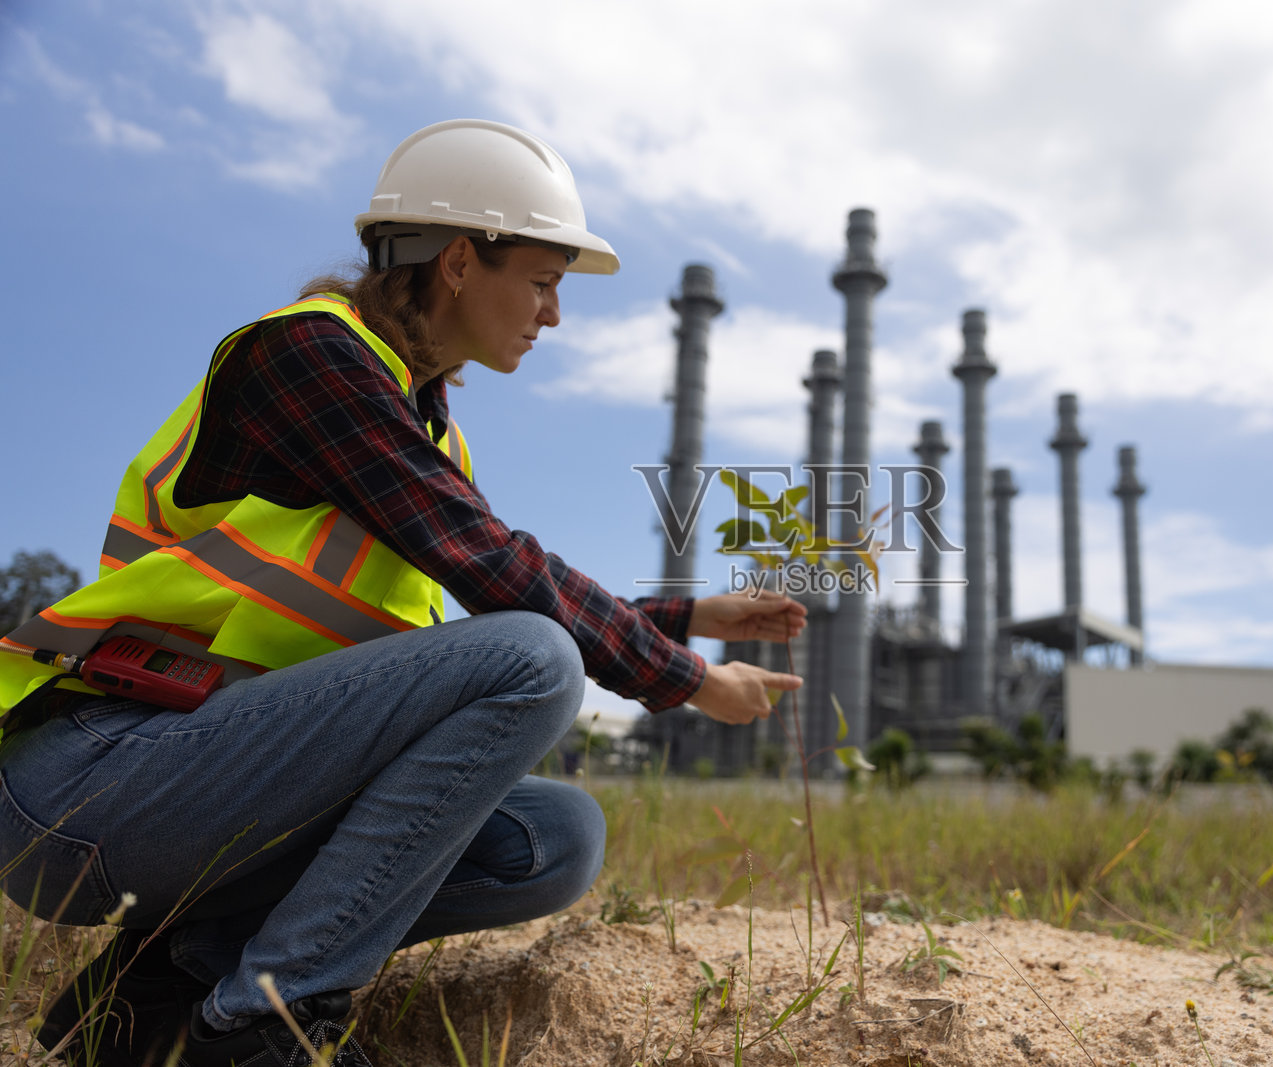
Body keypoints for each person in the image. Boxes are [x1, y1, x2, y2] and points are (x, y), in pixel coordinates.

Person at [0, 118, 804, 1066]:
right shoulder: (309, 356)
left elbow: (476, 586)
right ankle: (270, 1023)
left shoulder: (422, 427)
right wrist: (689, 678)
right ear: (461, 261)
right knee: (533, 659)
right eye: (543, 282)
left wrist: (682, 617)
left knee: (553, 837)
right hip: (92, 777)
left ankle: (166, 984)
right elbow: (494, 571)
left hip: (221, 774)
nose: (553, 314)